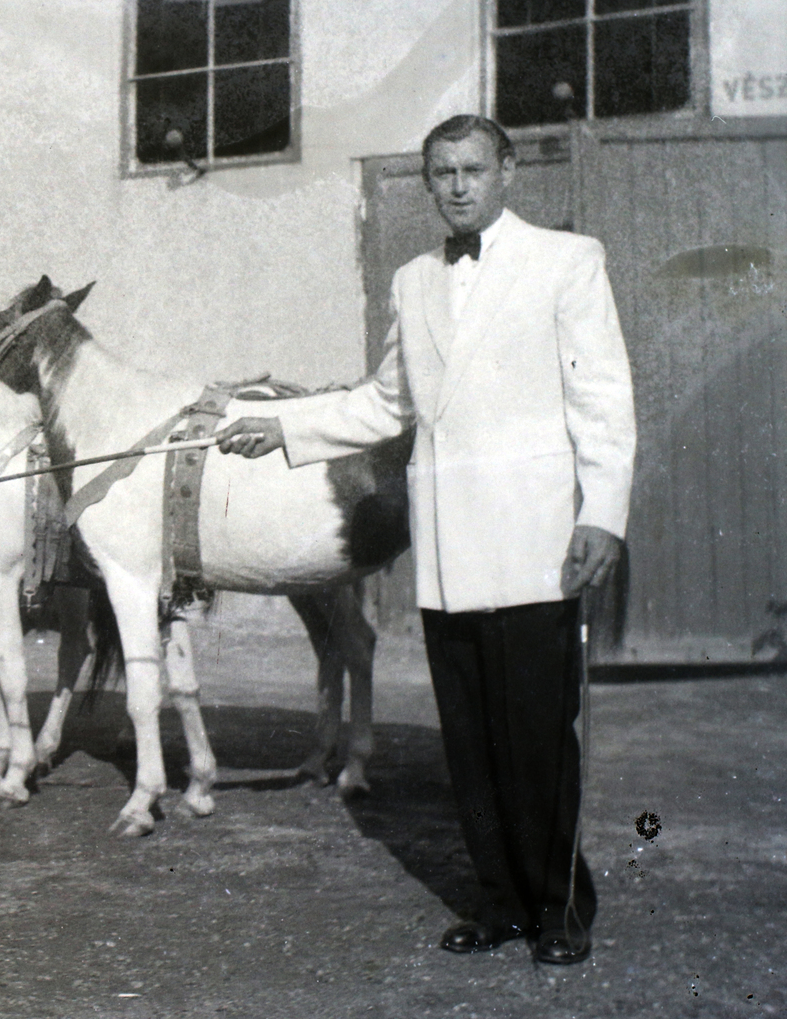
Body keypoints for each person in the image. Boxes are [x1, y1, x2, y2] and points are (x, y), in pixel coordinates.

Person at [217, 115, 635, 966]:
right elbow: (384, 405)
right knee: (471, 745)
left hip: (536, 544)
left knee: (536, 739)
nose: (456, 186)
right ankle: (499, 902)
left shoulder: (568, 261)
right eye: (441, 172)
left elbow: (604, 403)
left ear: (507, 171)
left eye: (473, 169)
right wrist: (279, 426)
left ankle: (559, 907)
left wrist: (604, 513)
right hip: (448, 553)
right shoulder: (412, 281)